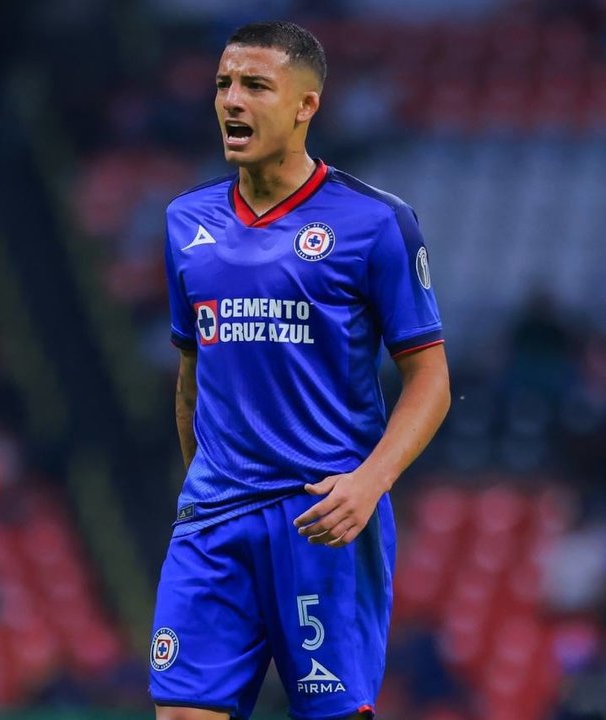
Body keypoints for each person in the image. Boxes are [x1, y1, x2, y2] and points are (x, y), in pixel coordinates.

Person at [150, 21, 451, 720]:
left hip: (321, 516)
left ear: (305, 105)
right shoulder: (184, 222)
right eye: (224, 84)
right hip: (214, 521)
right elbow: (192, 375)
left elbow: (431, 380)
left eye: (256, 85)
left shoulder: (375, 223)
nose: (232, 100)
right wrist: (203, 486)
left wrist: (369, 484)